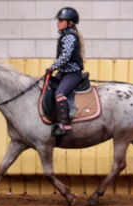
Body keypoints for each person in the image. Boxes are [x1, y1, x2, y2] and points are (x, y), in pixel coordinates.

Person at [46, 7, 85, 136]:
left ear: (70, 22)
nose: (58, 22)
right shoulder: (66, 35)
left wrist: (53, 67)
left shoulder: (69, 36)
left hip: (72, 74)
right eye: (59, 20)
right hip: (64, 73)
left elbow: (65, 56)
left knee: (60, 93)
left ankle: (65, 124)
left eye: (61, 20)